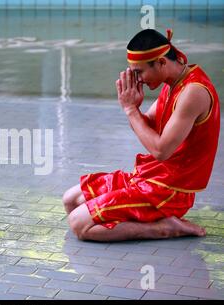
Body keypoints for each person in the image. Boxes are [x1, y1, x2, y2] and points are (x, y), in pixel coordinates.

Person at [63, 29, 220, 242]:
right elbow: (145, 127)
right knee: (71, 200)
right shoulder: (172, 83)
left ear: (162, 63)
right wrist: (134, 107)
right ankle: (150, 220)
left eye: (139, 72)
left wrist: (130, 110)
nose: (139, 80)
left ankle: (163, 228)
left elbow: (160, 150)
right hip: (152, 178)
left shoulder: (193, 92)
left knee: (79, 224)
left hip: (170, 192)